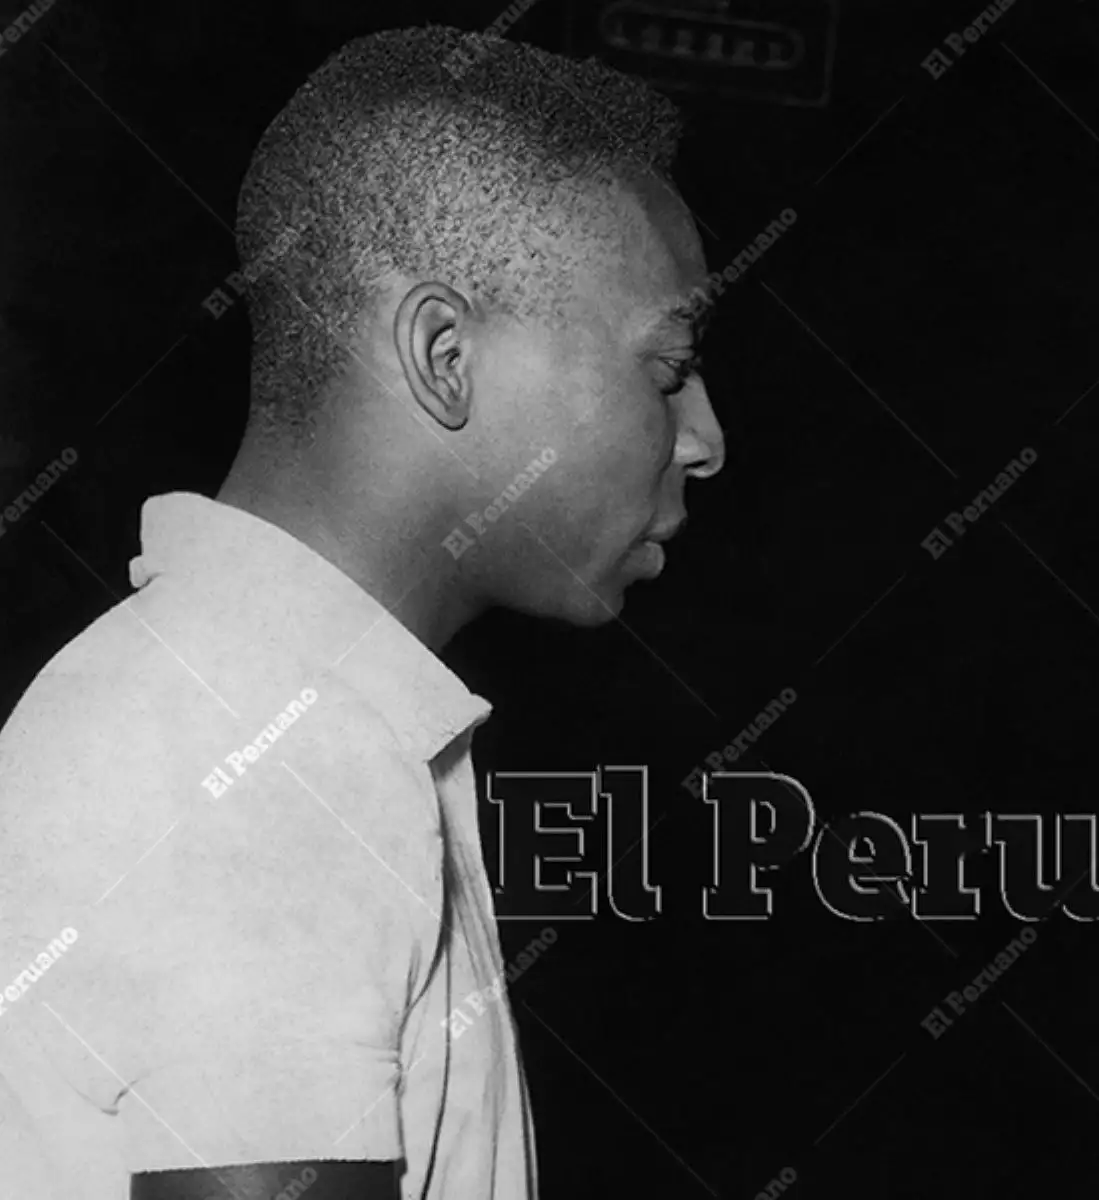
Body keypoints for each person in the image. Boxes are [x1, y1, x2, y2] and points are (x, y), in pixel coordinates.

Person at [0, 25, 723, 1199]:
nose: (703, 438)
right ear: (445, 354)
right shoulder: (259, 747)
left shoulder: (266, 704)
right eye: (667, 366)